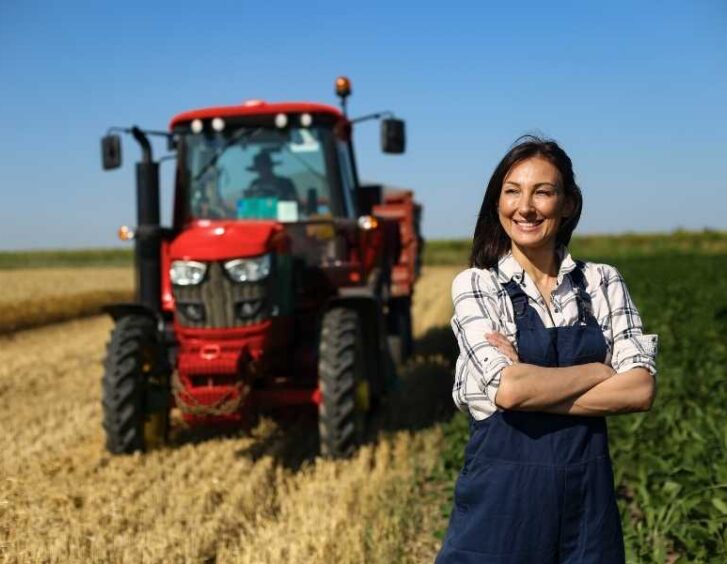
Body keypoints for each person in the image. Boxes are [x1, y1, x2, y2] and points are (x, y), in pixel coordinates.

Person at [436, 136, 658, 563]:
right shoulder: (478, 284)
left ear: (568, 204)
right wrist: (599, 370)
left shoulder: (603, 282)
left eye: (543, 191)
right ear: (497, 202)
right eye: (513, 191)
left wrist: (531, 387)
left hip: (586, 512)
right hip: (500, 510)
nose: (526, 207)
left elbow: (639, 391)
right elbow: (511, 391)